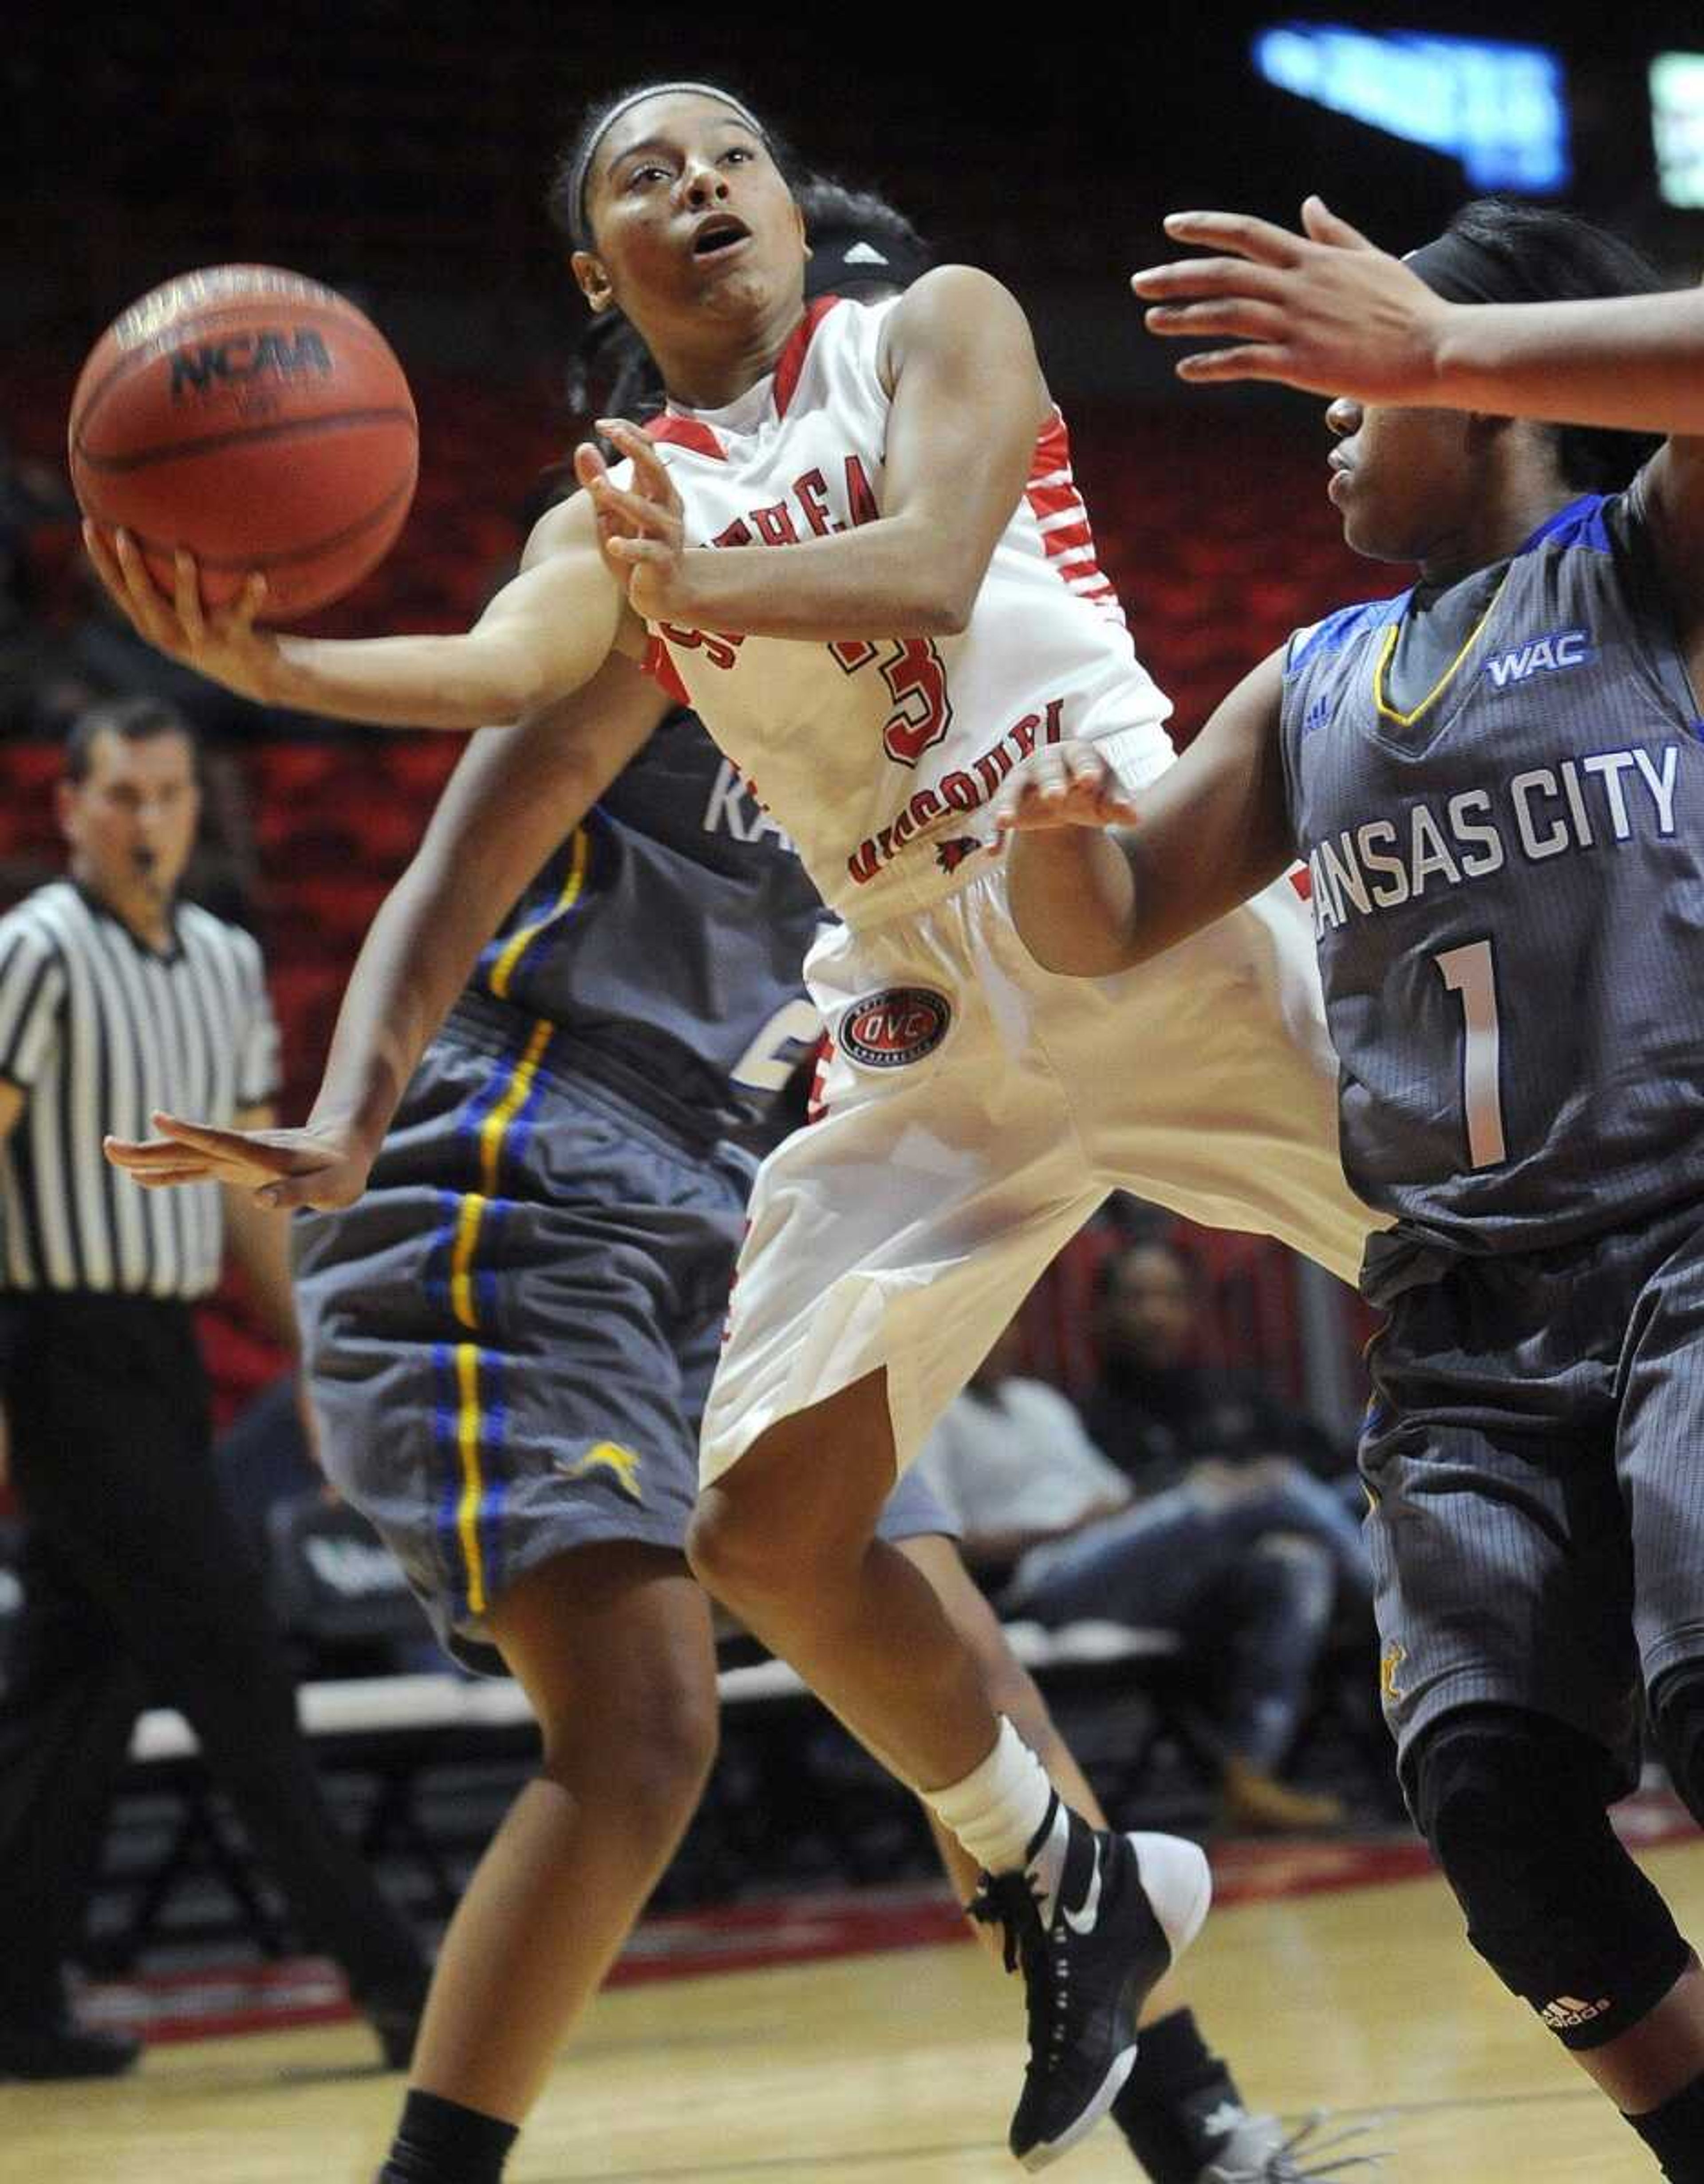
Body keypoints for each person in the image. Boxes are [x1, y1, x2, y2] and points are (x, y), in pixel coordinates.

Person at [88, 81, 1381, 2168]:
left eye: (731, 156)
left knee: (1507, 1299)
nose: (697, 184)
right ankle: (1069, 1866)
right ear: (596, 271)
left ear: (795, 208)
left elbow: (944, 557)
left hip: (1130, 890)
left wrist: (679, 579)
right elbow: (507, 667)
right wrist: (285, 656)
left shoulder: (936, 325)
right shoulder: (624, 512)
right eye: (639, 175)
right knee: (768, 1523)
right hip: (918, 1003)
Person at [997, 192, 1704, 2180]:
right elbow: (1111, 914)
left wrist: (1428, 339)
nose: (1320, 415)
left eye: (1354, 380)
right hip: (1466, 1324)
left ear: (1472, 386)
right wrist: (1048, 820)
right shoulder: (1315, 682)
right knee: (1487, 1792)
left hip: (1682, 1248)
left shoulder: (1642, 563)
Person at [0, 697, 428, 2079]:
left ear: (198, 807)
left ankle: (12, 2002)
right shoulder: (33, 955)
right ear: (68, 809)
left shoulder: (229, 963)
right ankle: (400, 1986)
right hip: (51, 1345)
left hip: (161, 1355)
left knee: (78, 1691)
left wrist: (309, 1357)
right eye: (119, 795)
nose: (145, 820)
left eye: (168, 795)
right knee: (235, 1662)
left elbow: (249, 1191)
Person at [918, 1315, 1349, 1834]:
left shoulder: (1041, 1403)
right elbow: (944, 1549)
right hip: (1043, 1580)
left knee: (1294, 1565)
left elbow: (1119, 1499)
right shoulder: (930, 1413)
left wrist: (1152, 1503)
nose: (995, 1334)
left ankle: (1250, 1772)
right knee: (1270, 1486)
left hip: (1117, 1558)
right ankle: (1392, 1606)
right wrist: (1069, 1526)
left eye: (1005, 1322)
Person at [1086, 1238, 1372, 1582]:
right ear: (1103, 1311)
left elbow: (1324, 1454)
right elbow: (1127, 1506)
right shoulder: (1091, 1415)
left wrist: (1265, 1473)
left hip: (1305, 1513)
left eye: (1171, 1298)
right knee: (1293, 1547)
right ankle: (1391, 1604)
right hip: (1199, 1559)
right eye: (1137, 1298)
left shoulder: (1230, 1389)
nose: (1155, 1315)